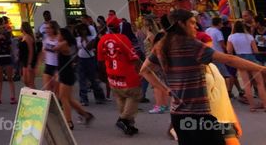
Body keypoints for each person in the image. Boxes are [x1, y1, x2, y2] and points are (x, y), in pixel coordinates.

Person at [140, 8, 266, 144]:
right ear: (181, 24)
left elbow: (144, 71)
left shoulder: (162, 45)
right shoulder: (191, 45)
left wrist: (166, 89)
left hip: (178, 115)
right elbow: (229, 59)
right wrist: (261, 68)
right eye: (192, 23)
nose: (196, 26)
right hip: (198, 115)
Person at [97, 15, 141, 136]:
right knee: (134, 95)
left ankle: (129, 126)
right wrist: (139, 71)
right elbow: (134, 58)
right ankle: (123, 119)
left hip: (112, 75)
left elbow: (100, 61)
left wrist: (103, 76)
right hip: (127, 75)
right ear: (118, 27)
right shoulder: (123, 38)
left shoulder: (102, 40)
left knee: (120, 97)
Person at [56, 24, 93, 130]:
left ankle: (68, 122)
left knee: (63, 98)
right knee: (68, 99)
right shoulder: (69, 43)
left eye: (59, 34)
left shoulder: (64, 43)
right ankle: (86, 115)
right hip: (66, 72)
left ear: (63, 35)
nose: (57, 35)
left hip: (67, 73)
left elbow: (54, 48)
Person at [227, 21, 265, 111]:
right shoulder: (249, 36)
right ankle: (265, 105)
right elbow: (255, 51)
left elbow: (229, 51)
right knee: (260, 83)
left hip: (240, 60)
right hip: (251, 59)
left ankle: (252, 106)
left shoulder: (231, 37)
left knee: (246, 83)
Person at [75, 19, 105, 106]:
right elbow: (78, 49)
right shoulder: (77, 39)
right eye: (81, 30)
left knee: (93, 79)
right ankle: (84, 99)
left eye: (84, 30)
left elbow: (89, 47)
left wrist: (86, 39)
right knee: (82, 80)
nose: (82, 32)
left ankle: (99, 97)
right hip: (81, 59)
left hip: (90, 59)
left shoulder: (91, 38)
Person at [40, 21, 60, 91]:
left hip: (57, 66)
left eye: (48, 28)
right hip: (48, 65)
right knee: (47, 90)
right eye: (46, 28)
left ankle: (59, 101)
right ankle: (50, 101)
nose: (46, 30)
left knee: (56, 90)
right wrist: (40, 64)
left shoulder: (59, 38)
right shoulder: (46, 39)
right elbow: (43, 52)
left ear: (53, 29)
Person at [19, 23, 36, 89]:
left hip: (28, 61)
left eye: (21, 26)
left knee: (30, 82)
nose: (20, 28)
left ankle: (35, 96)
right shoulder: (24, 36)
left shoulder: (28, 37)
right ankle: (30, 95)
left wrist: (29, 63)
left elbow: (31, 51)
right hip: (24, 60)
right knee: (26, 81)